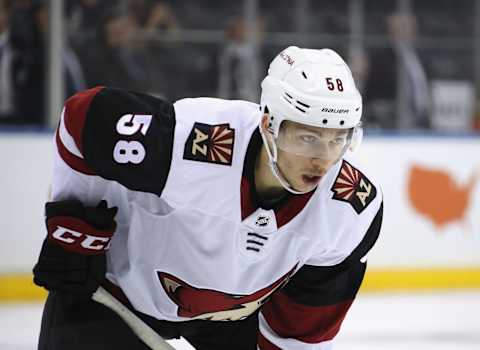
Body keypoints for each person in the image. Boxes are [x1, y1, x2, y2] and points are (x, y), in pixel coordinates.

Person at [33, 46, 383, 350]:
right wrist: (75, 231)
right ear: (268, 126)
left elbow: (301, 332)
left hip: (229, 320)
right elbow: (84, 118)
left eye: (338, 139)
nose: (323, 159)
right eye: (306, 138)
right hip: (114, 293)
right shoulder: (193, 143)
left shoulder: (351, 209)